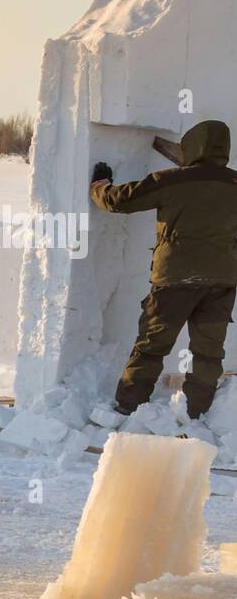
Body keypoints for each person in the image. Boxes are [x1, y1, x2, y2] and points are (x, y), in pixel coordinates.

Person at [90, 118, 237, 419]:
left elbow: (120, 201)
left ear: (192, 147)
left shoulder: (172, 181)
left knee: (152, 345)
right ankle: (195, 413)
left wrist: (100, 185)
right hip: (222, 280)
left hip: (174, 279)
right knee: (208, 351)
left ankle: (127, 407)